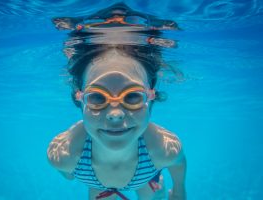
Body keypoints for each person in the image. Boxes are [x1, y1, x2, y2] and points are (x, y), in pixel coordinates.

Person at [47, 3, 186, 200]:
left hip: (144, 175)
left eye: (132, 96)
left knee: (154, 196)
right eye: (97, 97)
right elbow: (67, 173)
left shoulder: (163, 149)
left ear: (150, 96)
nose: (115, 114)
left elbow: (178, 162)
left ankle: (159, 189)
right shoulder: (64, 156)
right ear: (81, 99)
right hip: (97, 183)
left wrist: (180, 190)